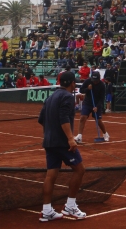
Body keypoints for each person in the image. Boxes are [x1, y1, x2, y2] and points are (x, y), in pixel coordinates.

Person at [37, 71, 86, 222]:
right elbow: (64, 117)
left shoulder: (51, 97)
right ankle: (70, 206)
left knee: (51, 175)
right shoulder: (67, 97)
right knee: (79, 170)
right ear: (72, 83)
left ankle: (46, 210)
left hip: (49, 142)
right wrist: (71, 139)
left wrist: (48, 134)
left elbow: (41, 119)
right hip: (62, 142)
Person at [75, 71, 109, 143]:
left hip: (97, 104)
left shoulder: (102, 85)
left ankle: (105, 134)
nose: (95, 82)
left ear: (99, 79)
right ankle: (79, 136)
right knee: (82, 117)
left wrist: (97, 106)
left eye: (96, 81)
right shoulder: (88, 81)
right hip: (87, 103)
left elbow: (102, 98)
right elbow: (81, 90)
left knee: (98, 120)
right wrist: (88, 89)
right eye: (94, 81)